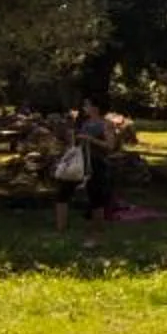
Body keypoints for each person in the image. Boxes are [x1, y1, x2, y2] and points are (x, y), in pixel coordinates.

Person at [54, 95, 118, 234]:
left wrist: (90, 139)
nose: (84, 108)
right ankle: (60, 229)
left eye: (87, 105)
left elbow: (110, 146)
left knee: (96, 197)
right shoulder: (85, 123)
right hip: (80, 163)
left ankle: (98, 230)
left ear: (95, 108)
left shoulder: (106, 124)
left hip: (96, 164)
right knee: (63, 192)